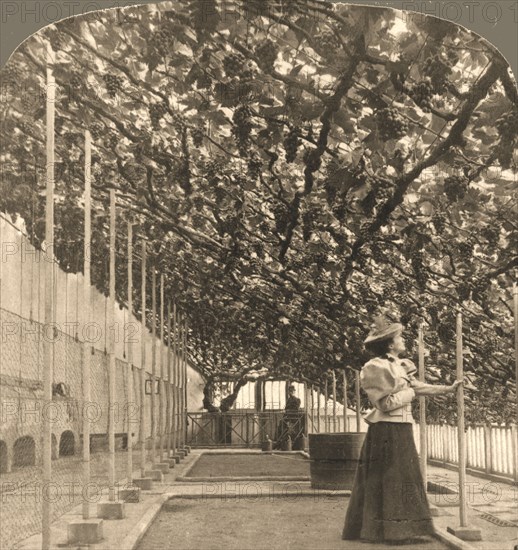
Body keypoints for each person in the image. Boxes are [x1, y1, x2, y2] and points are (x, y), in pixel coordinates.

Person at [342, 316, 469, 544]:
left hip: (400, 428)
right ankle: (393, 532)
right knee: (394, 479)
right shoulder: (375, 367)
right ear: (390, 344)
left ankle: (403, 530)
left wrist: (448, 388)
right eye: (399, 337)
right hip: (387, 430)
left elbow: (417, 387)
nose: (403, 341)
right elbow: (385, 404)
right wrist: (411, 392)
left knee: (403, 477)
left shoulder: (400, 365)